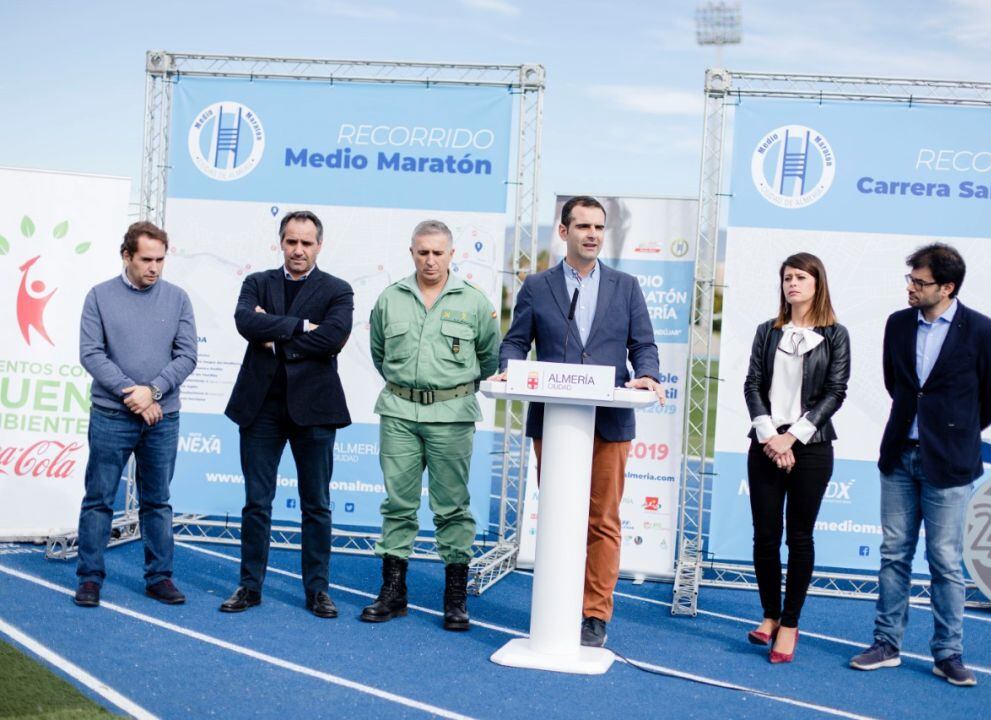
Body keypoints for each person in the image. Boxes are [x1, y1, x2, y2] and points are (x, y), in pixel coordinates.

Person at [494, 196, 663, 648]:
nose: (592, 234)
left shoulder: (626, 286)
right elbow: (514, 343)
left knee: (602, 519)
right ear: (563, 231)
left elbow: (643, 346)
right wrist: (509, 366)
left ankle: (594, 614)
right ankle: (558, 603)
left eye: (599, 227)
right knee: (559, 516)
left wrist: (647, 373)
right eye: (583, 226)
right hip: (554, 422)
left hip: (609, 421)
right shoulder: (537, 285)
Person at [850, 243, 991, 686]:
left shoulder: (982, 331)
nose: (911, 288)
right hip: (900, 454)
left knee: (944, 561)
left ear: (947, 287)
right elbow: (895, 383)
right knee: (894, 555)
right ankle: (886, 645)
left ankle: (948, 653)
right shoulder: (897, 325)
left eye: (919, 282)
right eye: (910, 280)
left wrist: (957, 431)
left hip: (951, 462)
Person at [362, 220, 499, 631]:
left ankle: (454, 598)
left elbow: (488, 357)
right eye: (423, 251)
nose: (430, 259)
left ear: (452, 254)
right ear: (412, 252)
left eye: (438, 252)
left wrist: (453, 390)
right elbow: (378, 352)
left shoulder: (474, 302)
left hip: (452, 415)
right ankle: (394, 593)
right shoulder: (391, 298)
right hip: (400, 412)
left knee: (452, 507)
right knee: (398, 504)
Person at [219, 210, 354, 619]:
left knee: (317, 505)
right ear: (281, 242)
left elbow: (334, 337)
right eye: (292, 241)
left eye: (306, 243)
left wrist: (275, 337)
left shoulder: (338, 290)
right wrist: (301, 327)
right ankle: (249, 587)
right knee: (256, 503)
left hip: (314, 410)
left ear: (319, 245)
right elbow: (245, 322)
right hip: (261, 408)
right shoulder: (257, 282)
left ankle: (317, 591)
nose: (298, 250)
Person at [74, 221, 197, 607]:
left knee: (157, 500)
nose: (155, 268)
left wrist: (154, 391)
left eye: (160, 260)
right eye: (146, 259)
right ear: (126, 256)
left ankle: (159, 577)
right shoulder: (99, 296)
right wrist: (136, 396)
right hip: (112, 415)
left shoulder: (178, 299)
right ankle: (90, 579)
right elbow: (91, 353)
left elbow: (187, 355)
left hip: (163, 416)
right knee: (99, 499)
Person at [742, 253, 850, 663]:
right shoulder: (766, 332)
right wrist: (771, 436)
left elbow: (835, 392)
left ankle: (790, 623)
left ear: (817, 283)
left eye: (801, 277)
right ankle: (769, 615)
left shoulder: (836, 335)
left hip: (812, 447)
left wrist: (793, 439)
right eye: (787, 277)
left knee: (799, 537)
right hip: (765, 444)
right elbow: (752, 384)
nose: (792, 284)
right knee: (765, 537)